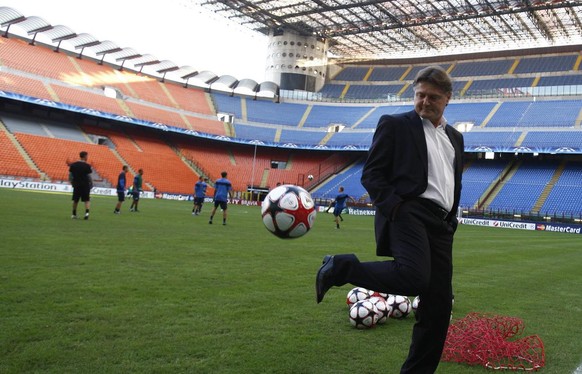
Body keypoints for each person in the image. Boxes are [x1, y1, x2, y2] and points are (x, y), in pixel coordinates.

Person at [315, 66, 464, 374]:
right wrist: (396, 208)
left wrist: (452, 220)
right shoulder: (396, 125)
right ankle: (340, 267)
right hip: (408, 211)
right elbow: (372, 174)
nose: (424, 102)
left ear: (447, 99)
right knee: (414, 277)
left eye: (432, 97)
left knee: (436, 310)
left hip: (442, 225)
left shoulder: (455, 138)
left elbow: (452, 182)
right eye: (420, 95)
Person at [69, 151, 93, 220]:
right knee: (87, 200)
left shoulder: (74, 165)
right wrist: (91, 183)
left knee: (75, 200)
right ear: (85, 156)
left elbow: (70, 175)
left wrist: (72, 182)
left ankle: (74, 214)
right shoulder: (87, 166)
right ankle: (87, 214)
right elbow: (89, 176)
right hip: (85, 185)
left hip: (77, 184)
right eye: (87, 156)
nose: (87, 157)